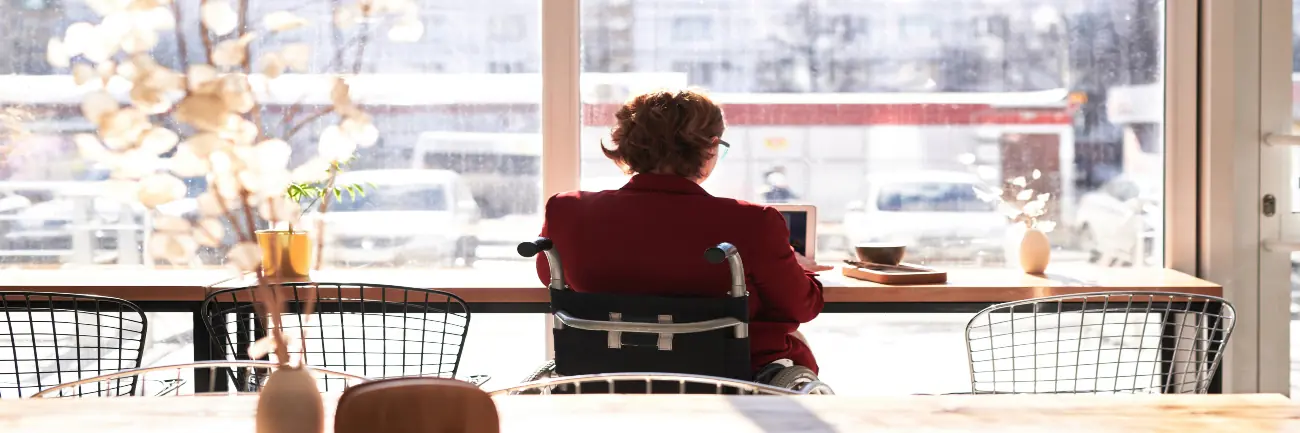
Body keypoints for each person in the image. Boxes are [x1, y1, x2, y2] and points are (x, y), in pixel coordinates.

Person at [534, 89, 831, 376]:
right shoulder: (753, 222)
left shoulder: (567, 210)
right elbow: (801, 306)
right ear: (710, 147)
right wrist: (792, 266)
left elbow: (553, 279)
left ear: (625, 145)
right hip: (732, 382)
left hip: (604, 377)